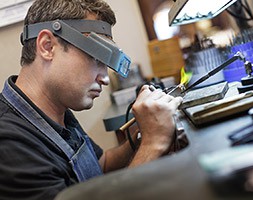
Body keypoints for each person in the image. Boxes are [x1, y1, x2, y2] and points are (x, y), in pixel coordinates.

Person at [0, 0, 183, 199]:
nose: (105, 78)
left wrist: (140, 135)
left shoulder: (56, 109)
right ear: (47, 46)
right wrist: (153, 144)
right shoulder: (9, 143)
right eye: (96, 58)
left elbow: (99, 165)